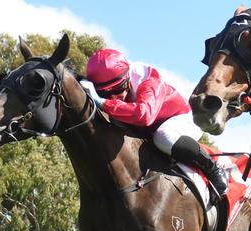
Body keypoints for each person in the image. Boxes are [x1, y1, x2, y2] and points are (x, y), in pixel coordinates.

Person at [81, 49, 228, 198]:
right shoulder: (118, 86)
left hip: (181, 119)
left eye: (118, 89)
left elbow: (144, 115)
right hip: (150, 128)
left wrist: (102, 101)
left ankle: (213, 169)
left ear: (127, 77)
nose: (114, 97)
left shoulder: (148, 80)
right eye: (105, 94)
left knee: (163, 136)